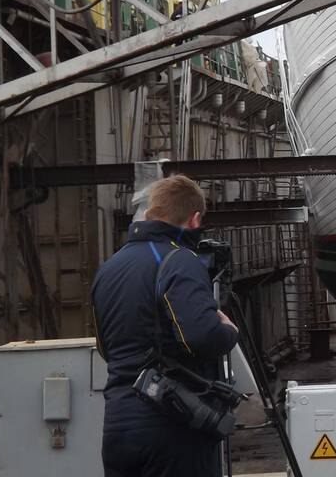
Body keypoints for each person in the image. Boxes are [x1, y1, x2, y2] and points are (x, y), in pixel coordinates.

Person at [92, 175, 239, 477]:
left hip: (118, 426)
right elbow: (201, 336)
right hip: (172, 425)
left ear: (149, 213)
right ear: (194, 219)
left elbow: (105, 347)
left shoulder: (108, 268)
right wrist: (228, 332)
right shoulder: (179, 260)